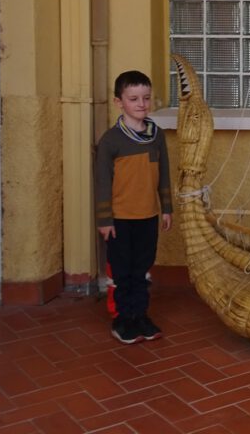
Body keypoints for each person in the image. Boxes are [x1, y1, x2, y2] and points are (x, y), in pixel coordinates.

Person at [94, 70, 173, 344]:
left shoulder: (157, 136)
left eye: (146, 98)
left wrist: (166, 208)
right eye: (134, 98)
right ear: (119, 102)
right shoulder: (111, 141)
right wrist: (105, 220)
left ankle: (140, 315)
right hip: (119, 220)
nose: (141, 104)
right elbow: (102, 182)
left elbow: (164, 173)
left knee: (142, 268)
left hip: (148, 216)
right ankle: (122, 320)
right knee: (122, 270)